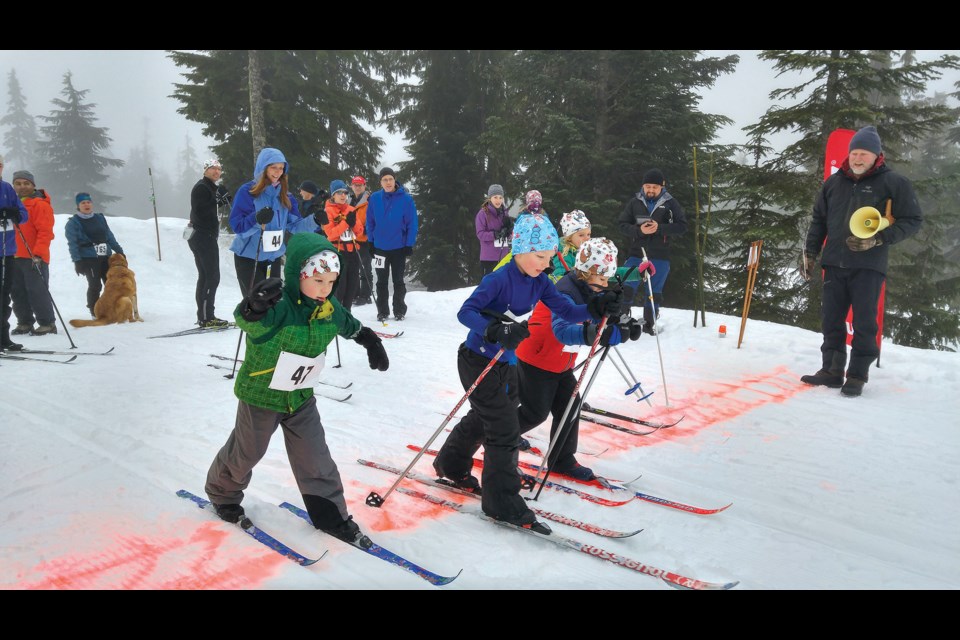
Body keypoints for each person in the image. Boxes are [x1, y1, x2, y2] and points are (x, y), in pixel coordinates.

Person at [431, 213, 623, 533]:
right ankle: (501, 503)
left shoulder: (540, 282)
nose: (545, 264)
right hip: (477, 360)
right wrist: (493, 329)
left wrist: (597, 308)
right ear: (519, 249)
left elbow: (567, 310)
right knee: (504, 430)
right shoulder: (498, 279)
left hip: (508, 363)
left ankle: (451, 464)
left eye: (549, 257)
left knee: (485, 417)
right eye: (539, 256)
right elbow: (465, 312)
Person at [204, 232, 389, 547]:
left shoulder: (329, 308)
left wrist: (369, 340)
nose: (325, 289)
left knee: (315, 457)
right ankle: (222, 494)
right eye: (318, 281)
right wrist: (254, 307)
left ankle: (331, 516)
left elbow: (349, 324)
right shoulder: (281, 306)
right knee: (248, 451)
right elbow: (251, 323)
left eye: (331, 282)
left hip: (301, 397)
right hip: (261, 395)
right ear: (298, 275)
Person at [800, 125, 922, 397]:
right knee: (831, 320)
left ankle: (856, 375)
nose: (857, 158)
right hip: (833, 262)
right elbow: (819, 220)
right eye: (854, 152)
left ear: (876, 155)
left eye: (863, 154)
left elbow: (913, 220)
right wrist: (810, 253)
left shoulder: (894, 183)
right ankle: (831, 371)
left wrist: (879, 238)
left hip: (868, 264)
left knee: (865, 323)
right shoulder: (833, 183)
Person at [516, 237, 644, 480]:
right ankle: (498, 440)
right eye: (602, 279)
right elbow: (562, 331)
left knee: (570, 407)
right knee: (535, 413)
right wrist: (598, 333)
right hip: (538, 357)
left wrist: (623, 326)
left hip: (561, 361)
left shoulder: (589, 288)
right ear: (587, 273)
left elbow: (598, 317)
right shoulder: (566, 291)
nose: (606, 284)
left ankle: (561, 459)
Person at [229, 147, 317, 297]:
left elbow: (295, 226)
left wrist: (315, 220)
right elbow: (238, 227)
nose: (277, 172)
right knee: (256, 303)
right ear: (263, 168)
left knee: (273, 302)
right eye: (273, 167)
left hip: (273, 257)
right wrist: (256, 219)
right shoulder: (248, 191)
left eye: (281, 168)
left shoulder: (286, 196)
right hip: (250, 257)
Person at [617, 168, 687, 334]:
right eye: (648, 186)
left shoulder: (671, 203)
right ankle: (621, 321)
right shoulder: (635, 202)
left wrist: (659, 228)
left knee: (654, 292)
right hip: (636, 253)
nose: (650, 190)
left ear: (662, 187)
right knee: (627, 287)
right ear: (643, 186)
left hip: (660, 255)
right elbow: (622, 225)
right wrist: (640, 231)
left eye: (654, 187)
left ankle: (649, 325)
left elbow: (682, 226)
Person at [365, 167, 418, 322]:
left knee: (398, 281)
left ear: (395, 180)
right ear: (380, 182)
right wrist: (370, 241)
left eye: (390, 179)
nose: (388, 182)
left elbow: (412, 223)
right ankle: (382, 311)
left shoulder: (406, 199)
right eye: (384, 180)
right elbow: (370, 221)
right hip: (380, 247)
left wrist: (409, 244)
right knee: (381, 281)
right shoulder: (374, 198)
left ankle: (399, 310)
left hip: (399, 248)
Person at [10, 170, 56, 336]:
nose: (22, 187)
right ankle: (24, 322)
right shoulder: (12, 205)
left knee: (37, 290)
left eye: (26, 183)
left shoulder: (39, 204)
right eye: (18, 183)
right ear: (14, 185)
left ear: (33, 185)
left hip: (33, 256)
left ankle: (47, 323)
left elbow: (45, 232)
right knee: (17, 291)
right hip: (13, 255)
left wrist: (38, 254)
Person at [65, 192, 125, 319]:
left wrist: (119, 251)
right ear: (78, 206)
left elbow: (109, 236)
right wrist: (77, 261)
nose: (86, 205)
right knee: (95, 285)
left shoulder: (100, 218)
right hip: (88, 258)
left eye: (88, 202)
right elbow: (72, 244)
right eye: (83, 203)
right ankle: (94, 311)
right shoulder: (73, 223)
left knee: (111, 283)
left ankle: (112, 308)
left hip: (105, 256)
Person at [188, 159, 232, 328]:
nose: (216, 172)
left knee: (205, 276)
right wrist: (217, 200)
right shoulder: (202, 187)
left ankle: (204, 316)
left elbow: (208, 207)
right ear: (205, 170)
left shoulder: (209, 187)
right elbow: (201, 210)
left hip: (202, 235)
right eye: (213, 168)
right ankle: (207, 317)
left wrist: (221, 200)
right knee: (212, 277)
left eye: (219, 169)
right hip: (203, 236)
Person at [321, 179, 364, 312]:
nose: (343, 196)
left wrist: (353, 223)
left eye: (345, 192)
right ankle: (336, 314)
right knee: (340, 286)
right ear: (333, 195)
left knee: (352, 285)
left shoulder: (351, 209)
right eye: (339, 193)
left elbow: (359, 231)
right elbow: (331, 234)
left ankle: (347, 313)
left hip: (353, 251)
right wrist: (346, 223)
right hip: (338, 252)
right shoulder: (328, 211)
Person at [0, 173, 30, 351]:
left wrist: (15, 214)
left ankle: (3, 338)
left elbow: (24, 215)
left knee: (4, 296)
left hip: (6, 251)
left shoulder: (6, 188)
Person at [475, 184, 512, 275]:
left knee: (504, 286)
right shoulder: (483, 214)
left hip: (504, 256)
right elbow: (480, 234)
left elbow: (510, 234)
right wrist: (495, 234)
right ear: (489, 198)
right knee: (490, 286)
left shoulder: (504, 213)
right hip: (489, 258)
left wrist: (508, 232)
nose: (498, 200)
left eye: (500, 197)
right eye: (495, 197)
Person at [348, 175, 373, 306]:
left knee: (365, 268)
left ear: (364, 186)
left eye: (360, 185)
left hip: (364, 239)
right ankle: (355, 293)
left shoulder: (369, 200)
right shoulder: (349, 200)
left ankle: (366, 294)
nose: (357, 187)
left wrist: (365, 230)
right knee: (353, 267)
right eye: (355, 185)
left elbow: (373, 218)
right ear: (352, 186)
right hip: (350, 239)